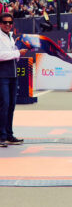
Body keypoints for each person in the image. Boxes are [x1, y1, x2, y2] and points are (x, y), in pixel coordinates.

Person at [0, 12, 27, 147]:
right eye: (5, 22)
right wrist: (17, 53)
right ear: (0, 24)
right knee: (3, 105)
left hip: (12, 74)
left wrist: (18, 52)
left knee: (11, 105)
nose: (7, 25)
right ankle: (1, 136)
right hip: (2, 75)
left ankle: (8, 135)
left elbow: (11, 55)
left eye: (10, 23)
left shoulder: (10, 36)